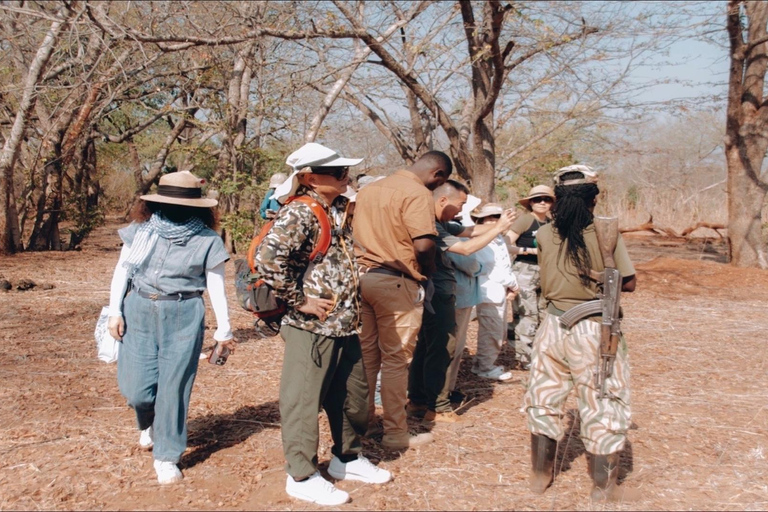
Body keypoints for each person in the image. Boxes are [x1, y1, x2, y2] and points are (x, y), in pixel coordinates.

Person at [254, 142, 391, 506]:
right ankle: (300, 475)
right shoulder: (300, 213)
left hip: (345, 323)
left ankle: (347, 458)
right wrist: (302, 302)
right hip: (311, 327)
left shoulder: (338, 208)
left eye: (346, 171)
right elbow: (268, 262)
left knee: (353, 396)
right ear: (311, 178)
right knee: (303, 402)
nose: (346, 177)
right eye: (338, 172)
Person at [106, 170, 236, 485]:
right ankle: (147, 422)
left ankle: (166, 455)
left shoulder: (206, 239)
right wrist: (115, 311)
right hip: (138, 309)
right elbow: (122, 272)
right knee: (136, 390)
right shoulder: (141, 231)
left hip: (184, 312)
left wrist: (224, 328)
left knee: (174, 387)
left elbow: (216, 284)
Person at [522, 165, 638, 501]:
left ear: (557, 199)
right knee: (602, 400)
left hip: (552, 326)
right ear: (594, 199)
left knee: (543, 397)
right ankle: (603, 488)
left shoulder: (544, 234)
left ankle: (539, 477)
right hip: (592, 328)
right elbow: (628, 283)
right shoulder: (605, 233)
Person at [352, 151, 452, 450]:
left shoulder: (368, 190)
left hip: (363, 278)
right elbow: (423, 245)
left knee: (368, 357)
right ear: (438, 175)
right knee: (396, 361)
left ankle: (364, 425)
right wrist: (427, 272)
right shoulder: (418, 193)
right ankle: (396, 432)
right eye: (439, 185)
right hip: (397, 283)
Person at [409, 182, 516, 424]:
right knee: (441, 347)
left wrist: (495, 227)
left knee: (427, 346)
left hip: (437, 291)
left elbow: (469, 232)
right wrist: (498, 227)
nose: (461, 211)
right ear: (443, 201)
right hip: (438, 292)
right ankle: (438, 407)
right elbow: (467, 250)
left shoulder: (442, 222)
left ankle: (417, 401)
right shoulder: (431, 225)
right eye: (460, 204)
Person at [507, 185, 555, 370]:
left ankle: (543, 353)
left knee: (545, 312)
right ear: (530, 203)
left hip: (546, 270)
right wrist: (530, 250)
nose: (542, 202)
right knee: (527, 314)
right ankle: (526, 358)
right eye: (537, 199)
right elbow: (505, 244)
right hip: (524, 270)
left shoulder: (551, 222)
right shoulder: (525, 221)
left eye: (547, 199)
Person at [470, 203, 519, 382]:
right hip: (489, 290)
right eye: (489, 218)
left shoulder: (498, 239)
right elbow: (492, 269)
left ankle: (482, 363)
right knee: (492, 331)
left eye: (496, 217)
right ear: (480, 221)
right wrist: (513, 283)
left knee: (496, 331)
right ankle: (484, 367)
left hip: (498, 290)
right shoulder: (483, 240)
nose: (493, 221)